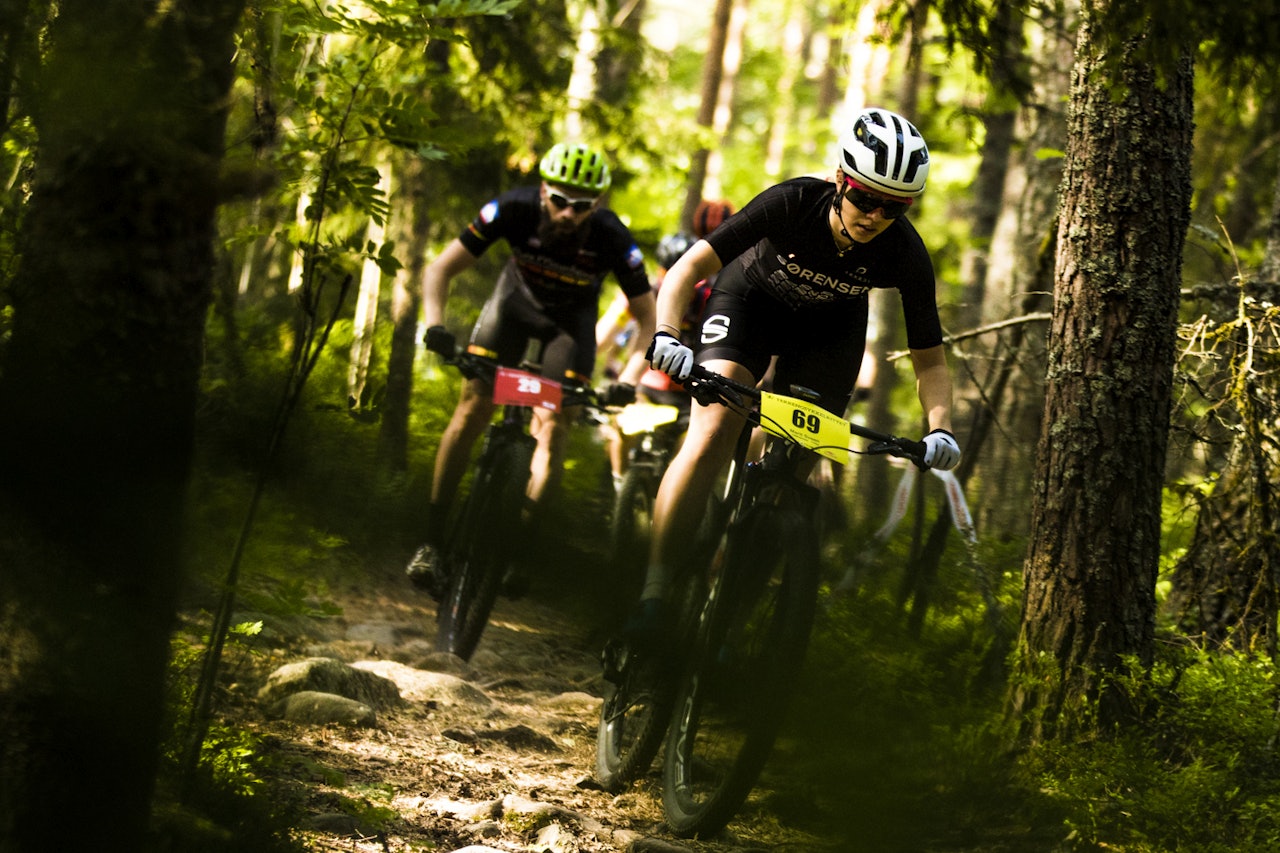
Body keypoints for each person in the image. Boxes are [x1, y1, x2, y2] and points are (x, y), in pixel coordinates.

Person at [614, 108, 961, 657]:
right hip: (750, 303)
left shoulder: (906, 253)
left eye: (893, 207)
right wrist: (666, 335)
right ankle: (653, 594)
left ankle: (728, 616)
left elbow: (931, 360)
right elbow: (685, 271)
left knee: (801, 479)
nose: (874, 215)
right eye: (864, 197)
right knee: (712, 430)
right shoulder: (793, 202)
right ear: (840, 180)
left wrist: (940, 430)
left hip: (828, 333)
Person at [408, 142, 657, 596]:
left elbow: (648, 320)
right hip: (513, 307)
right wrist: (435, 326)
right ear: (543, 191)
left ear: (596, 205)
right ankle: (431, 539)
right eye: (559, 201)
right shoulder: (511, 209)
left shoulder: (613, 237)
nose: (567, 213)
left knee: (555, 424)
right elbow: (440, 269)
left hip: (569, 326)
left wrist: (627, 381)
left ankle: (518, 547)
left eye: (580, 207)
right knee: (473, 407)